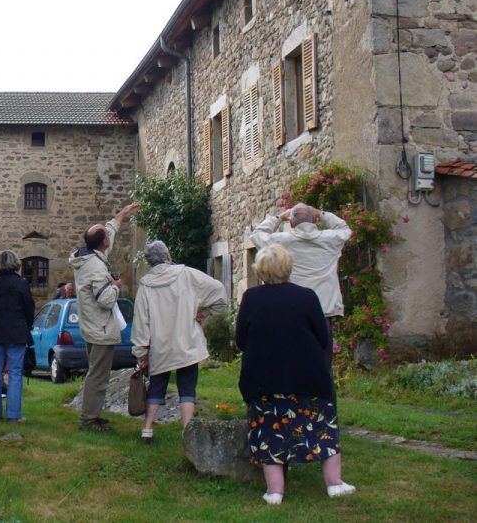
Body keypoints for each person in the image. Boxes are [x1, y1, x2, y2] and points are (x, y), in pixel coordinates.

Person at [235, 244, 355, 505]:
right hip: (308, 375)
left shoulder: (251, 298)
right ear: (288, 267)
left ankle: (275, 491)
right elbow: (322, 336)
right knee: (323, 427)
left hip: (263, 378)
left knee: (268, 432)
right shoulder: (307, 296)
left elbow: (241, 340)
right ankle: (334, 483)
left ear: (261, 270)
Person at [131, 241, 228, 442]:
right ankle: (187, 432)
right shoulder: (187, 275)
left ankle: (147, 429)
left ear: (149, 262)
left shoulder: (146, 285)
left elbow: (142, 322)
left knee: (156, 387)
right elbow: (219, 291)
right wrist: (203, 312)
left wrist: (141, 353)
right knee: (187, 388)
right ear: (168, 255)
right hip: (187, 342)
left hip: (160, 345)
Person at [250, 203, 352, 391]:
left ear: (292, 222)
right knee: (323, 367)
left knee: (291, 364)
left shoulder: (282, 241)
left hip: (290, 310)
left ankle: (294, 411)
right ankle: (326, 414)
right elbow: (345, 229)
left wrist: (279, 217)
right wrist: (322, 214)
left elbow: (257, 235)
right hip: (323, 311)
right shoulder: (329, 239)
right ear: (313, 220)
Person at [68, 201, 141, 432]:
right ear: (104, 243)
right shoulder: (96, 268)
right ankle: (88, 420)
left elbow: (110, 227)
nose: (108, 233)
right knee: (98, 377)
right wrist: (116, 285)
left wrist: (125, 213)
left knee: (96, 374)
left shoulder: (88, 255)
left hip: (91, 326)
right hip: (100, 329)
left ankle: (93, 415)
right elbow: (105, 299)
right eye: (105, 234)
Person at [0, 250, 35, 422]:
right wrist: (27, 325)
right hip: (15, 330)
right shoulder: (21, 283)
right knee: (14, 372)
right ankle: (13, 414)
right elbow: (29, 307)